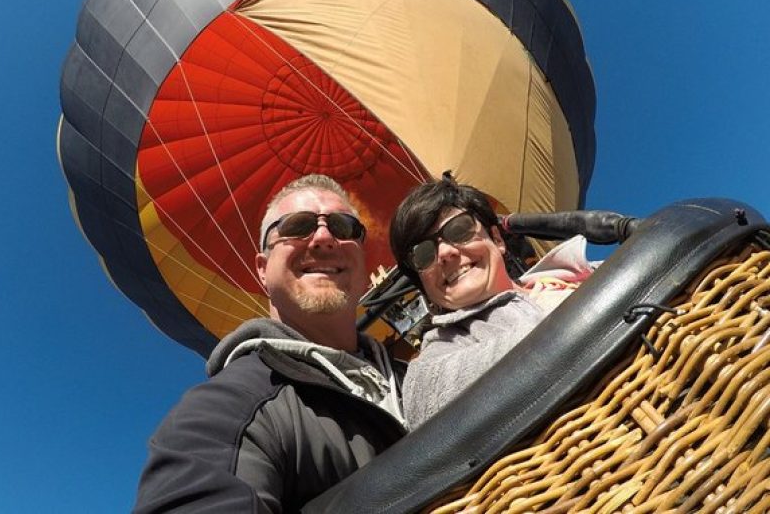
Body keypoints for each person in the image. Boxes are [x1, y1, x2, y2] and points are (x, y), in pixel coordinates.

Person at [134, 174, 406, 513]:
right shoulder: (230, 409)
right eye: (298, 225)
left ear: (363, 263)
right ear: (262, 269)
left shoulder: (417, 374)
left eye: (342, 227)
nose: (323, 237)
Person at [389, 176, 552, 429]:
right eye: (423, 254)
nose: (445, 253)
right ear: (424, 286)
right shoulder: (438, 354)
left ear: (497, 240)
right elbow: (424, 408)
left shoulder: (571, 273)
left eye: (459, 230)